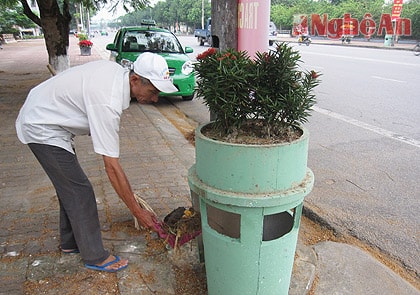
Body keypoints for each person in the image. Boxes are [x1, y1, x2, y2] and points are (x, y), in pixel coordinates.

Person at [15, 52, 178, 272]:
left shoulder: (115, 75)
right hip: (41, 125)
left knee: (70, 185)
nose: (156, 99)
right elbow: (111, 166)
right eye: (153, 91)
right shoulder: (107, 100)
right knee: (80, 190)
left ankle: (70, 243)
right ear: (135, 80)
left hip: (49, 119)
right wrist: (137, 211)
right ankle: (94, 256)